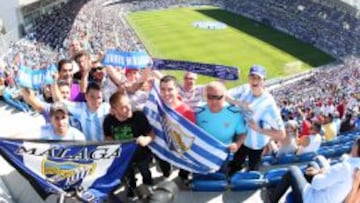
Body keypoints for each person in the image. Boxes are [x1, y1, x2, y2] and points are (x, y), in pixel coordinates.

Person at [267, 138, 360, 203]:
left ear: (356, 148)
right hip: (332, 198)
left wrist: (318, 173)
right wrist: (323, 172)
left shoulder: (345, 167)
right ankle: (293, 189)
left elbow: (317, 185)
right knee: (312, 165)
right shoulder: (355, 168)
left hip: (314, 200)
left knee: (292, 170)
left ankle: (272, 199)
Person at [229, 65, 285, 172]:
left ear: (264, 81)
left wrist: (259, 130)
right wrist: (240, 103)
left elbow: (281, 134)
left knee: (252, 171)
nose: (254, 80)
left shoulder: (269, 104)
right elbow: (224, 94)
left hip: (256, 146)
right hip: (241, 140)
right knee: (235, 166)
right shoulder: (245, 89)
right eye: (252, 76)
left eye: (258, 78)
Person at [103, 92, 154, 199]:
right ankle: (131, 188)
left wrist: (146, 139)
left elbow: (151, 134)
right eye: (123, 108)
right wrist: (111, 142)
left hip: (141, 154)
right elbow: (107, 136)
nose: (128, 108)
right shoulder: (108, 120)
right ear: (114, 110)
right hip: (123, 157)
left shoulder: (139, 116)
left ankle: (148, 185)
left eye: (128, 104)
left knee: (145, 171)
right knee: (128, 175)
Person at [158, 75, 195, 181]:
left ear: (177, 90)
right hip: (163, 145)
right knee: (164, 164)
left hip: (180, 146)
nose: (166, 93)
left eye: (170, 89)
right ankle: (166, 173)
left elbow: (191, 135)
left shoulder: (186, 111)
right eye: (163, 89)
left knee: (183, 165)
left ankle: (182, 176)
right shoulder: (158, 106)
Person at [196, 81, 246, 153]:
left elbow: (242, 133)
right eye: (210, 97)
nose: (214, 101)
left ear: (225, 97)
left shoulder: (234, 113)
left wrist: (236, 144)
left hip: (223, 153)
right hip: (203, 151)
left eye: (218, 97)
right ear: (205, 96)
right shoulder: (198, 111)